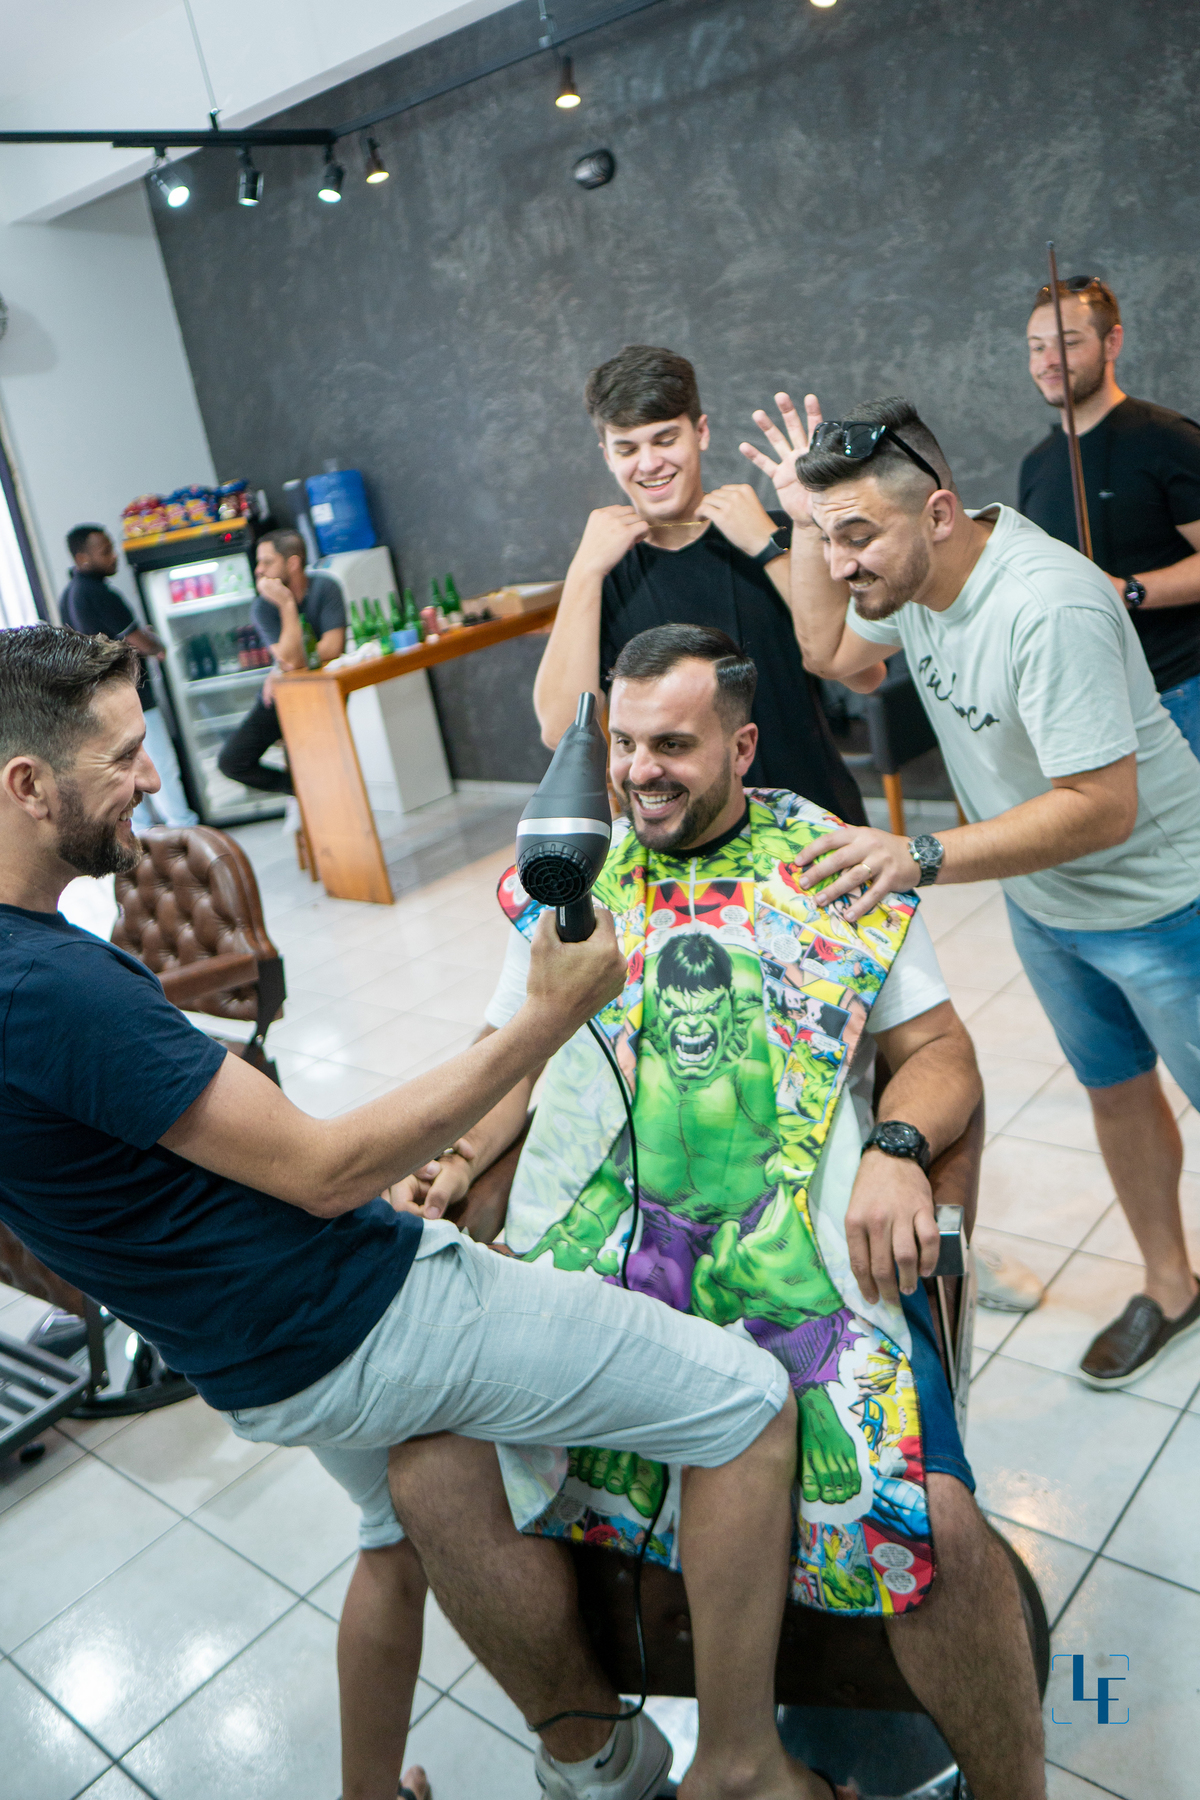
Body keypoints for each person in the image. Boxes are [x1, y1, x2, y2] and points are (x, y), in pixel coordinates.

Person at [1, 622, 828, 1800]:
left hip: (246, 1355)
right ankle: (743, 1768)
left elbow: (201, 1157)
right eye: (122, 757)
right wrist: (547, 1018)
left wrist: (442, 1151)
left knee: (391, 1541)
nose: (149, 777)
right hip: (348, 1315)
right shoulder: (51, 986)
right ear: (27, 786)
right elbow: (325, 1173)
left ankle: (397, 1789)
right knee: (746, 1406)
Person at [386, 627, 1045, 1800]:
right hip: (601, 1271)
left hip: (791, 1264)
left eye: (674, 746)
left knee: (935, 1524)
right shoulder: (577, 866)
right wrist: (459, 1151)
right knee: (431, 1471)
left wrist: (897, 1147)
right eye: (626, 744)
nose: (641, 770)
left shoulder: (830, 865)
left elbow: (940, 1052)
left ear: (740, 747)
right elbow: (508, 1051)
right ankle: (596, 1755)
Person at [740, 390, 1200, 1390]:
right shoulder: (912, 581)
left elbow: (1103, 808)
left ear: (939, 514)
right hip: (1050, 906)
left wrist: (921, 853)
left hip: (1168, 903)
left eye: (858, 536)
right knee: (1118, 1091)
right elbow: (829, 653)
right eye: (831, 539)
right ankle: (1172, 1287)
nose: (842, 563)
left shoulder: (1045, 605)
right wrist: (802, 521)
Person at [532, 343, 869, 823]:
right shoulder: (604, 570)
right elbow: (561, 731)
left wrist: (769, 547)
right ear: (607, 455)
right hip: (676, 839)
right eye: (627, 448)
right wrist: (584, 571)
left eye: (665, 439)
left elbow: (864, 674)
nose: (649, 463)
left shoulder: (781, 533)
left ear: (701, 432)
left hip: (810, 820)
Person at [1019, 276, 1200, 755]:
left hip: (1180, 691)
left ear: (1112, 342)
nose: (1048, 361)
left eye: (1068, 343)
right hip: (1090, 706)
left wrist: (1129, 591)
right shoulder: (1037, 465)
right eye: (1037, 347)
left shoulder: (1168, 440)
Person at [60, 523, 196, 827]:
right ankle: (183, 826)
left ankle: (141, 833)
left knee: (124, 769)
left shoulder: (69, 595)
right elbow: (139, 641)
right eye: (105, 551)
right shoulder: (100, 593)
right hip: (132, 694)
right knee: (159, 763)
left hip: (100, 700)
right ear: (82, 558)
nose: (114, 556)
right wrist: (158, 644)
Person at [217, 528, 345, 796]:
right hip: (282, 695)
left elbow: (333, 647)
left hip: (324, 690)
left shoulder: (325, 587)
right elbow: (289, 659)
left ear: (293, 563)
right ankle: (300, 790)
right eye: (258, 563)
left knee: (321, 761)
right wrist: (286, 606)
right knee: (231, 761)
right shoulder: (263, 606)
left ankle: (320, 796)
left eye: (267, 562)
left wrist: (285, 664)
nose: (258, 570)